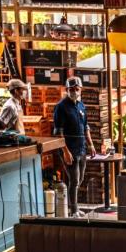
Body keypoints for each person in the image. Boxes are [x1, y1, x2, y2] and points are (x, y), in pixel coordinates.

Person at [53, 76, 95, 217]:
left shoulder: (81, 105)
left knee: (80, 178)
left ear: (80, 89)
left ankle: (75, 207)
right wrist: (65, 151)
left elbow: (86, 127)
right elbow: (58, 132)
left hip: (81, 148)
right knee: (74, 180)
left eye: (77, 89)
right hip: (69, 149)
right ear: (67, 90)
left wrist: (91, 144)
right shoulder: (61, 107)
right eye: (71, 89)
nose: (74, 91)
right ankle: (74, 210)